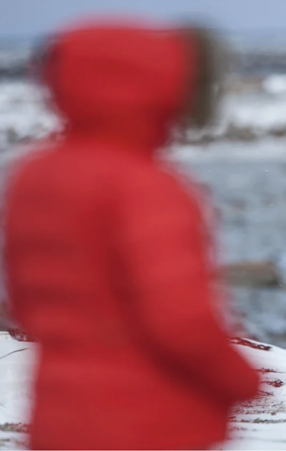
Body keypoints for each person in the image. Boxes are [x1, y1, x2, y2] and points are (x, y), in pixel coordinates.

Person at [2, 19, 260, 449]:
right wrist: (242, 381)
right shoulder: (148, 187)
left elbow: (25, 301)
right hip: (152, 423)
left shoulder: (32, 175)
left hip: (58, 419)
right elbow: (181, 320)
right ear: (160, 84)